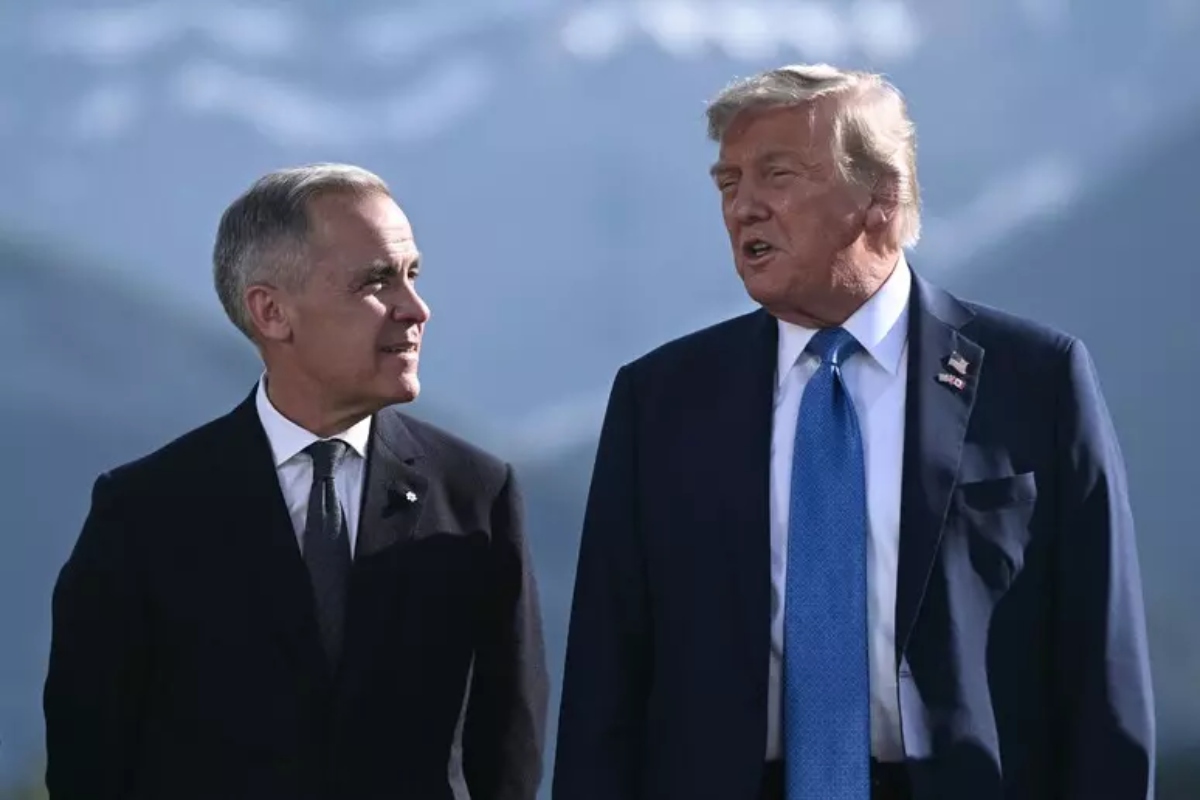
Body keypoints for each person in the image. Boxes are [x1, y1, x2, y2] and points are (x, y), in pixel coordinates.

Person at [552, 64, 1154, 800]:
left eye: (777, 175)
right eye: (728, 182)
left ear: (880, 197)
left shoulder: (1037, 381)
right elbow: (604, 685)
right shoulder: (659, 401)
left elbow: (1101, 665)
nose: (743, 207)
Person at [44, 163, 548, 800]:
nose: (415, 309)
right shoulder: (144, 514)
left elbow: (509, 753)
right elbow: (89, 763)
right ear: (272, 312)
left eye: (412, 275)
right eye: (377, 281)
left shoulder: (477, 496)